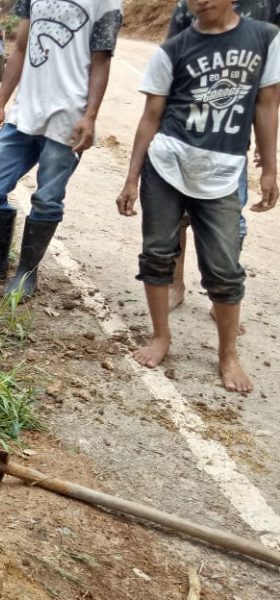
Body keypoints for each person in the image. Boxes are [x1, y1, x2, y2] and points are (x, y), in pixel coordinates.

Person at [115, 0, 279, 393]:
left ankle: (228, 354)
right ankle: (161, 336)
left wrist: (270, 166)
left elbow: (267, 103)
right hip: (168, 164)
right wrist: (132, 178)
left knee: (224, 268)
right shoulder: (172, 49)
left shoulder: (265, 38)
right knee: (157, 252)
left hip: (223, 170)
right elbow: (150, 117)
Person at [0, 0, 122, 301]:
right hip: (25, 112)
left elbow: (101, 60)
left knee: (47, 199)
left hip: (68, 117)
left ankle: (27, 272)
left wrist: (90, 115)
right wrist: (1, 104)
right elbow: (19, 49)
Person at [164, 0, 280, 312]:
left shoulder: (268, 7)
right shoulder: (187, 7)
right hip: (184, 133)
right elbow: (169, 75)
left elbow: (269, 92)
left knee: (230, 221)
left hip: (231, 140)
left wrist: (269, 159)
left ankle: (222, 293)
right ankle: (174, 283)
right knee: (176, 214)